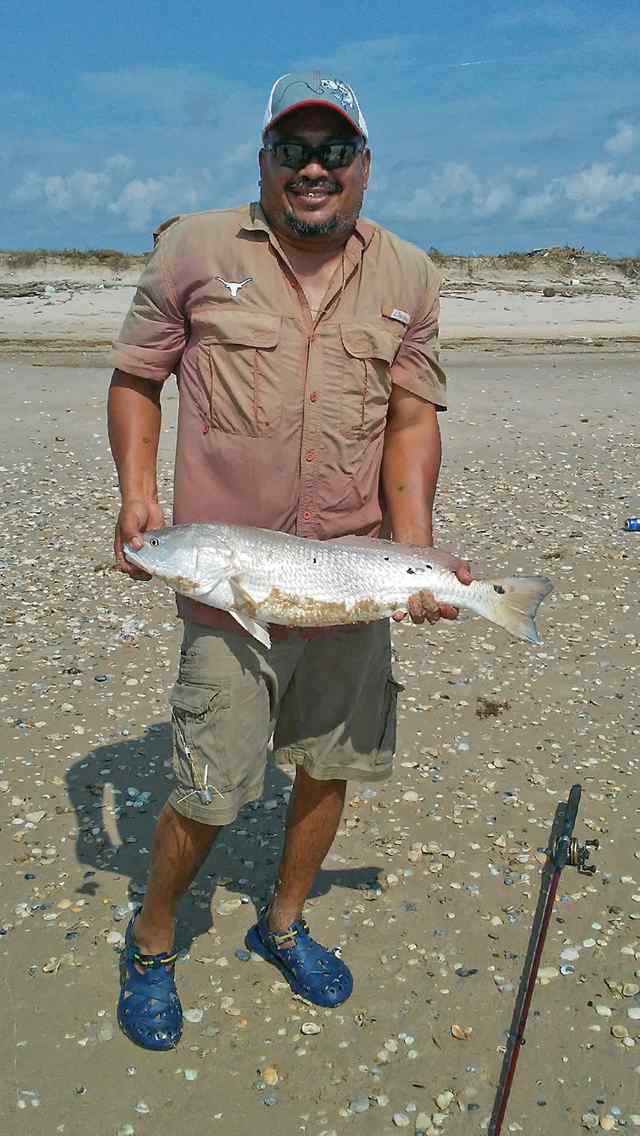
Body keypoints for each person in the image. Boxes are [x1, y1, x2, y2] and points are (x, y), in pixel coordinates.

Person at [108, 71, 471, 1051]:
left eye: (334, 148)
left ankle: (282, 921)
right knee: (207, 785)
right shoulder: (192, 249)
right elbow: (138, 376)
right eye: (293, 148)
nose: (314, 166)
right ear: (264, 157)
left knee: (327, 766)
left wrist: (416, 548)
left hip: (352, 575)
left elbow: (409, 422)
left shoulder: (409, 277)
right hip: (227, 580)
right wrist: (138, 496)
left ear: (362, 162)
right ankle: (151, 940)